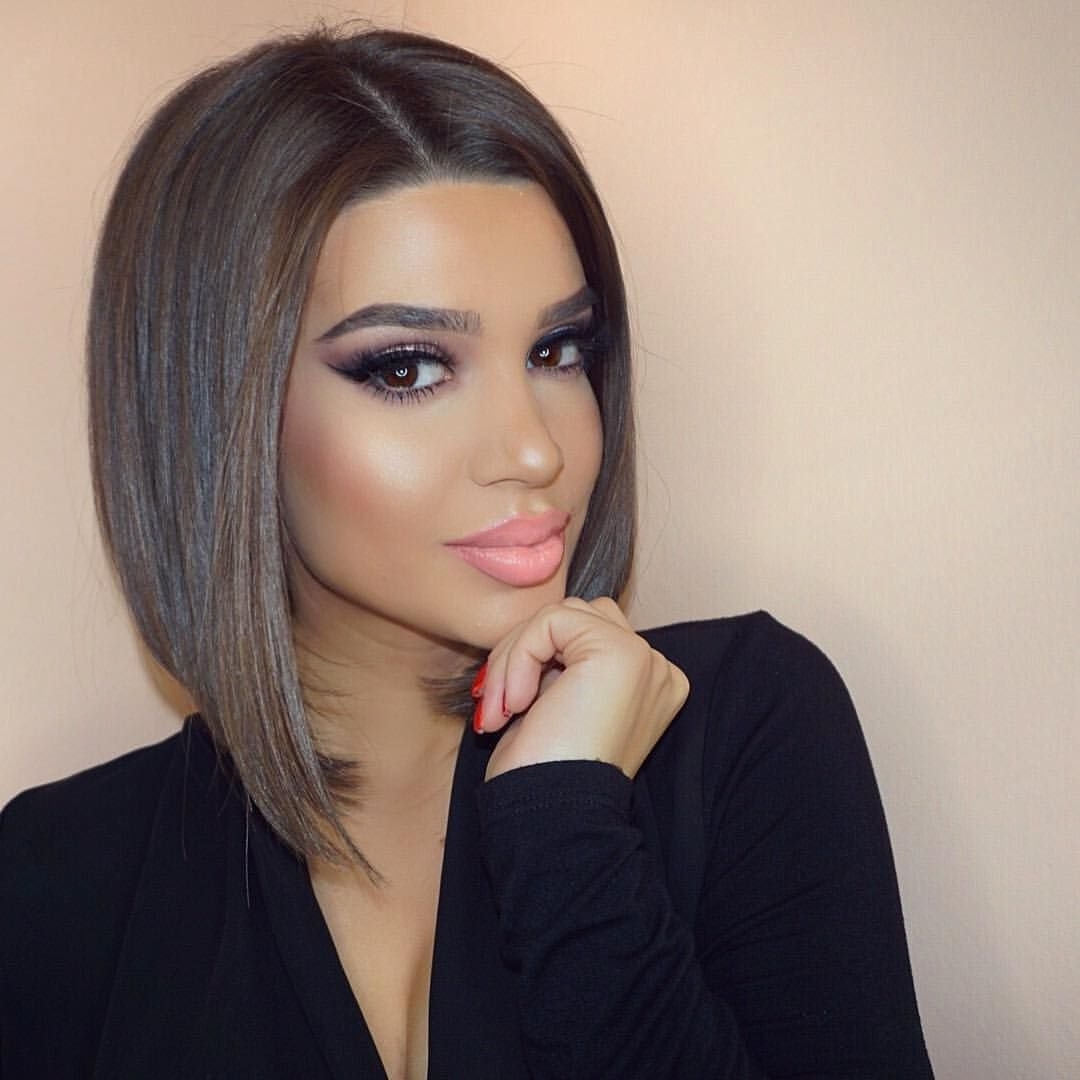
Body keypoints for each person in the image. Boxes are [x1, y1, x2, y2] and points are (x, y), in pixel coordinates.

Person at [0, 25, 934, 1079]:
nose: (536, 449)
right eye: (407, 369)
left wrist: (568, 828)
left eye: (557, 350)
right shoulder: (53, 879)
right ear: (216, 415)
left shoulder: (739, 731)